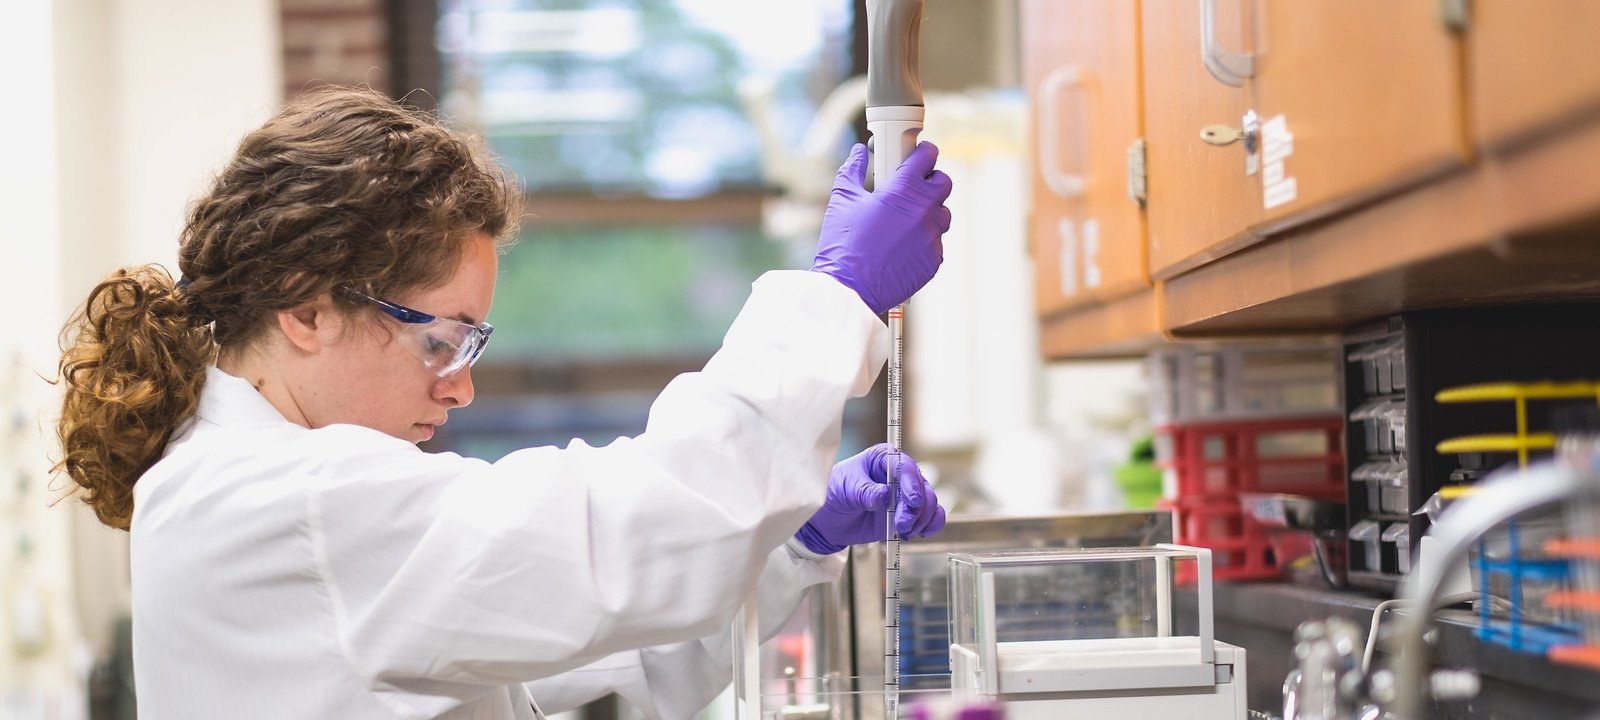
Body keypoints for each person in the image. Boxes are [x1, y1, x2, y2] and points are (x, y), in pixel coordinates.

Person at [54, 86, 954, 719]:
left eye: (471, 346)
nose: (462, 384)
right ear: (305, 306)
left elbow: (577, 645)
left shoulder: (251, 488)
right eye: (438, 339)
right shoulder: (289, 503)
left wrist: (790, 545)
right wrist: (837, 296)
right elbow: (623, 538)